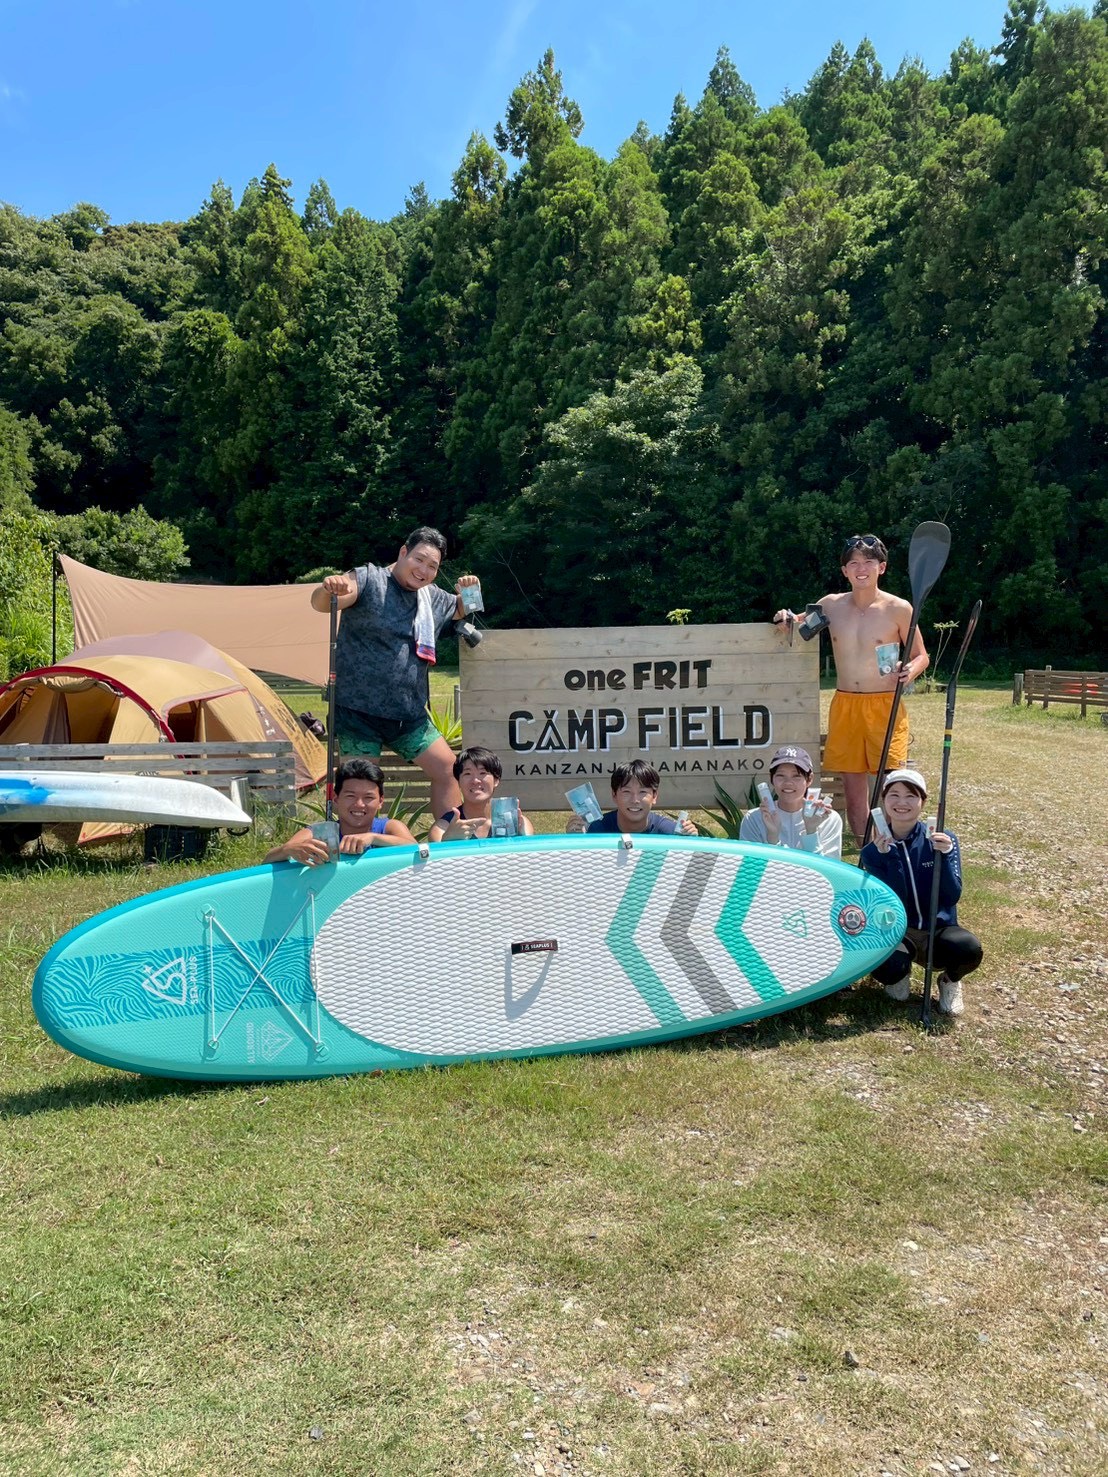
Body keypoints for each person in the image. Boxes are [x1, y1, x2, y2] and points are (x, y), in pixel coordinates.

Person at [311, 526, 480, 819]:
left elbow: (468, 609)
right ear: (403, 552)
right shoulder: (368, 579)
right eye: (419, 559)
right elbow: (322, 603)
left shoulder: (432, 597)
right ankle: (358, 845)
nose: (423, 570)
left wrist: (471, 589)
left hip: (408, 716)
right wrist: (329, 588)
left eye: (432, 566)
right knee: (360, 788)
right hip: (358, 714)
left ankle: (448, 838)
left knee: (449, 770)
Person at [773, 533, 929, 843]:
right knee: (855, 795)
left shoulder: (899, 608)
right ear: (844, 571)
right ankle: (866, 853)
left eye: (868, 562)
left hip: (885, 705)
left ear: (881, 567)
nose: (861, 569)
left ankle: (896, 853)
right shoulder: (830, 605)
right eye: (854, 563)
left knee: (893, 788)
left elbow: (921, 655)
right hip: (846, 705)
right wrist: (784, 618)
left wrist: (910, 670)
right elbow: (795, 623)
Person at [859, 768, 982, 1016]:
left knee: (967, 948)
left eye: (911, 796)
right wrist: (890, 858)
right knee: (883, 962)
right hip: (898, 931)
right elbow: (893, 902)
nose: (902, 802)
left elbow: (951, 896)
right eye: (894, 795)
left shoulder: (941, 839)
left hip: (938, 929)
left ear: (922, 802)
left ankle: (949, 981)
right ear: (884, 800)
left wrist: (944, 857)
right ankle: (898, 976)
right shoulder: (872, 853)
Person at [265, 758, 416, 865]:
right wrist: (288, 850)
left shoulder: (389, 828)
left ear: (381, 802)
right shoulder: (321, 833)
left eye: (368, 797)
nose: (359, 804)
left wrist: (373, 838)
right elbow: (268, 860)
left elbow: (416, 848)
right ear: (336, 799)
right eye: (350, 796)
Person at [738, 745, 842, 859]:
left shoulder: (828, 819)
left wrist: (811, 831)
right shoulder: (754, 818)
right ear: (771, 778)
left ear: (809, 779)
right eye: (781, 775)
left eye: (796, 776)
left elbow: (828, 868)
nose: (788, 783)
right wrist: (772, 837)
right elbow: (751, 866)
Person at [566, 759, 698, 836]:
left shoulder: (668, 832)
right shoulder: (596, 830)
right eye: (627, 792)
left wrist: (690, 839)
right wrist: (575, 840)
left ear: (654, 796)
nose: (635, 800)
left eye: (642, 792)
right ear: (614, 795)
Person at [429, 746, 535, 842]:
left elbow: (529, 855)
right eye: (467, 773)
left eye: (482, 773)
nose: (475, 780)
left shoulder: (517, 824)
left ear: (496, 780)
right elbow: (438, 856)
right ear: (459, 782)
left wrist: (523, 838)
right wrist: (448, 840)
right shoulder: (442, 828)